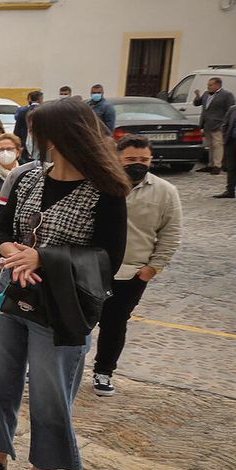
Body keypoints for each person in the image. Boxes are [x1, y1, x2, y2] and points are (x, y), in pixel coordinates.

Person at [0, 97, 130, 470]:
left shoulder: (108, 190)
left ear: (60, 138)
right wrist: (12, 254)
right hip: (10, 290)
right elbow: (1, 228)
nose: (29, 141)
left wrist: (41, 258)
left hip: (63, 305)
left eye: (37, 133)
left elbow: (109, 259)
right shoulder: (26, 179)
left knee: (49, 394)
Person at [93, 136, 183, 397]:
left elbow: (171, 233)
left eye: (143, 159)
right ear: (118, 158)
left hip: (132, 272)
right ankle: (62, 366)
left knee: (115, 323)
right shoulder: (100, 184)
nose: (137, 164)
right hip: (94, 267)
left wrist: (152, 269)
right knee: (75, 320)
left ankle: (104, 371)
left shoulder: (165, 192)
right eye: (131, 159)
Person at [196, 76, 236, 175]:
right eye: (208, 85)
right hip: (207, 124)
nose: (208, 87)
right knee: (209, 145)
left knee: (217, 145)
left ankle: (217, 165)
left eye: (210, 85)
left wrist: (225, 123)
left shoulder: (226, 95)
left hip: (218, 124)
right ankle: (210, 164)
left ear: (217, 85)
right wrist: (197, 96)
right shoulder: (206, 94)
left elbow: (230, 109)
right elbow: (197, 103)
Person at [13, 90, 42, 159]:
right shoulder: (44, 111)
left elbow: (17, 130)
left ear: (30, 99)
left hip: (24, 143)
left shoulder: (22, 111)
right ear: (40, 99)